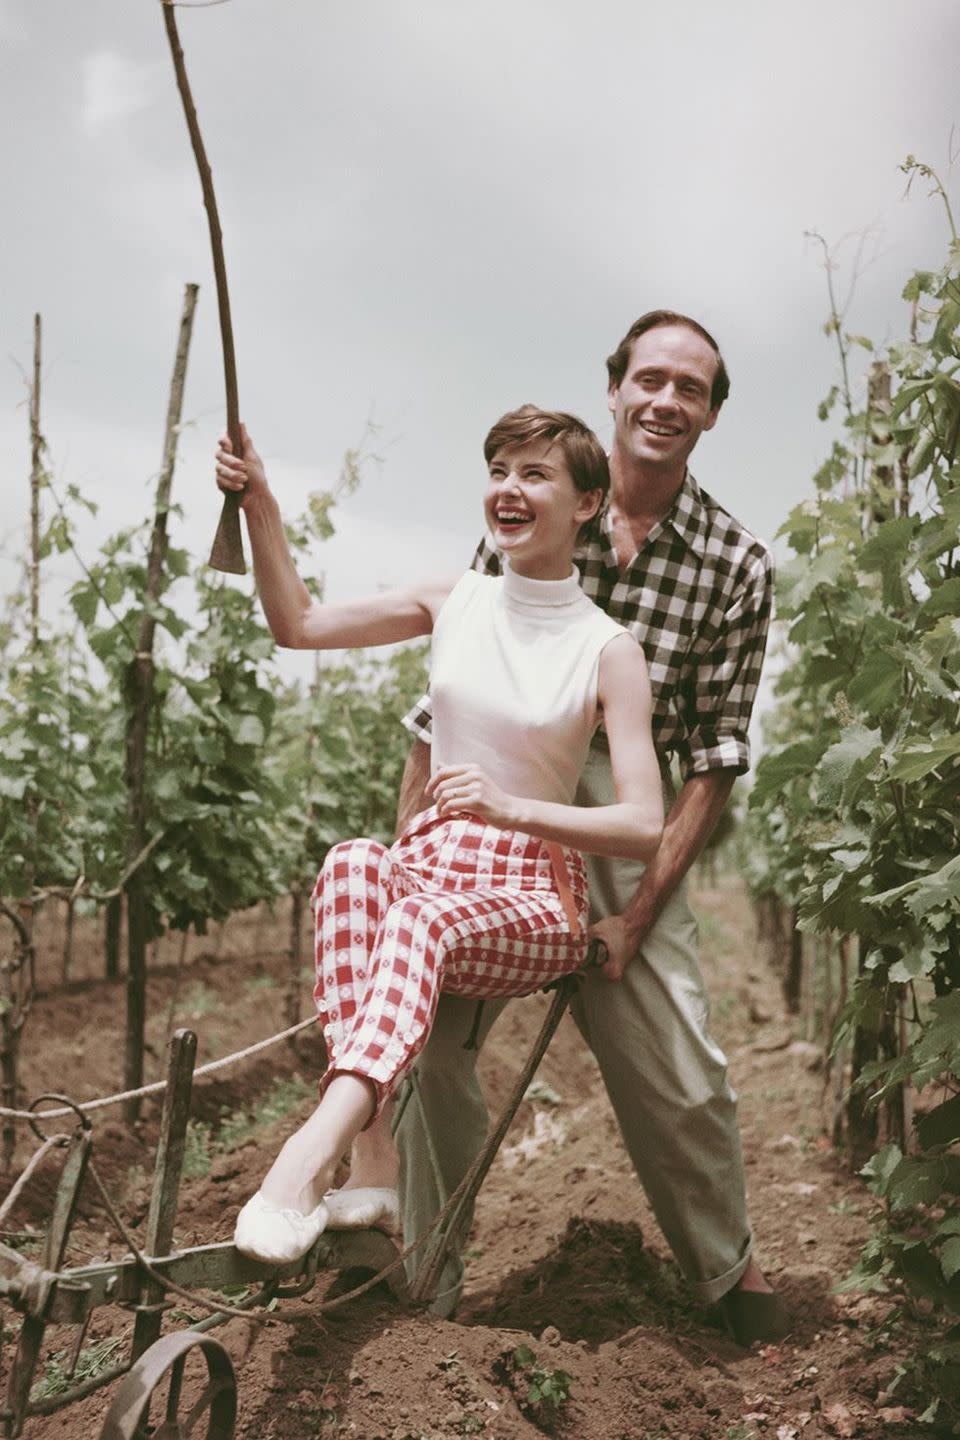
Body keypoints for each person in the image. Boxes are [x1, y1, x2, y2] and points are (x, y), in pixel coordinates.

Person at [395, 312, 789, 1345]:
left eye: (690, 389)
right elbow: (444, 704)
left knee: (680, 1063)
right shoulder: (535, 501)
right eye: (648, 379)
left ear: (710, 414)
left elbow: (711, 761)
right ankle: (419, 1278)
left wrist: (640, 912)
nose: (666, 400)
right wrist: (409, 856)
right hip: (504, 793)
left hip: (624, 813)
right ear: (614, 390)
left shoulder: (737, 563)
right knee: (428, 1038)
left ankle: (725, 1268)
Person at [213, 405, 664, 1265]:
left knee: (417, 923)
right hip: (435, 863)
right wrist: (261, 502)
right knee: (351, 863)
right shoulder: (455, 597)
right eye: (499, 470)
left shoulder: (608, 650)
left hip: (530, 890)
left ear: (587, 506)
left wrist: (509, 807)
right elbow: (297, 626)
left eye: (536, 475)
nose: (509, 489)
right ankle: (375, 1154)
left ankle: (305, 1160)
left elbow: (643, 825)